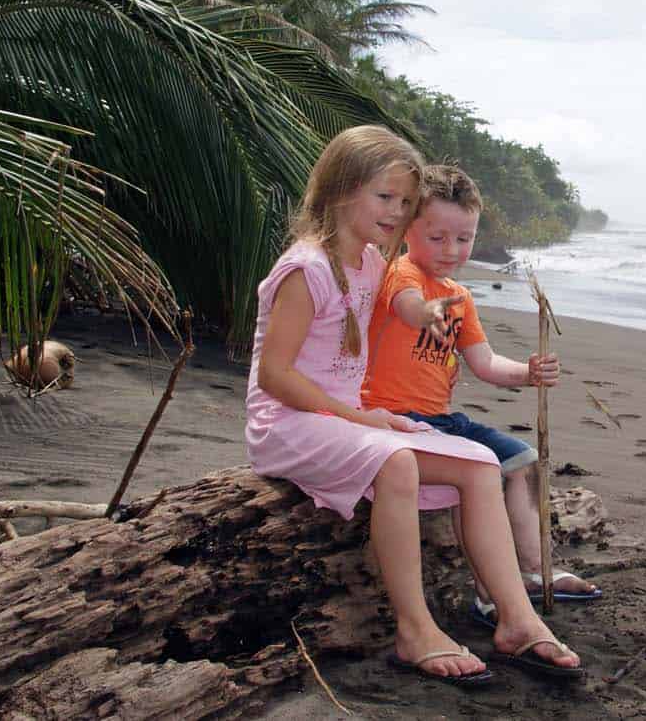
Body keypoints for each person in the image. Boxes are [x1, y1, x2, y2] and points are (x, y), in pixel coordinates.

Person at [247, 127, 582, 684]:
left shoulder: (370, 264)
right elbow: (274, 377)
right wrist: (364, 418)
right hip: (288, 425)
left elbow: (408, 302)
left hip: (343, 423)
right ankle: (414, 628)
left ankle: (516, 620)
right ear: (339, 189)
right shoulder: (307, 268)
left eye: (404, 201)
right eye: (385, 197)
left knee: (479, 465)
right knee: (398, 460)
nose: (396, 210)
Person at [362, 164, 601, 624]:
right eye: (438, 237)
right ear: (409, 228)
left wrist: (529, 372)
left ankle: (532, 570)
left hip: (444, 418)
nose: (452, 250)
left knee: (524, 461)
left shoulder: (460, 295)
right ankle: (490, 592)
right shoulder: (401, 272)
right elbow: (407, 307)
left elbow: (486, 363)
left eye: (464, 238)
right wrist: (425, 311)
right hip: (396, 417)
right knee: (478, 472)